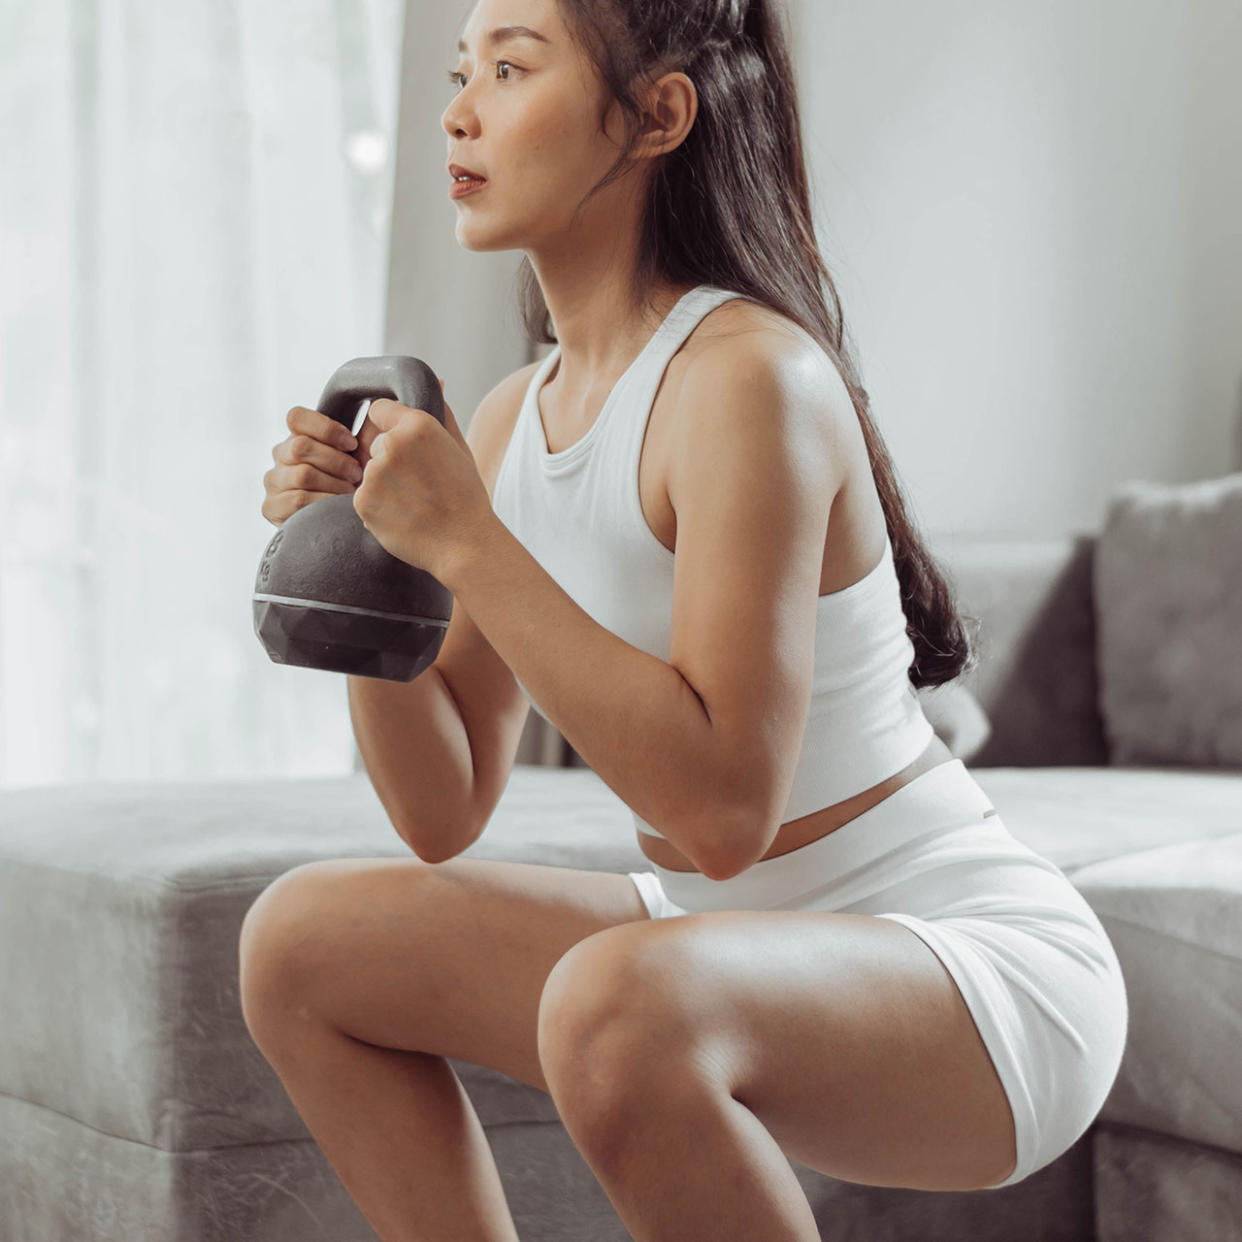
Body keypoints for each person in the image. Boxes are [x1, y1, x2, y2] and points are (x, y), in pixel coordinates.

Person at [244, 1, 1129, 1239]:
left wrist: (467, 543)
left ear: (658, 114)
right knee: (301, 944)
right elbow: (443, 810)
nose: (458, 110)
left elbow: (721, 814)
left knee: (612, 1003)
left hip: (971, 973)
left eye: (510, 68)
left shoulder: (749, 380)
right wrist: (371, 575)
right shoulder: (507, 422)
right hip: (720, 951)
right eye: (460, 71)